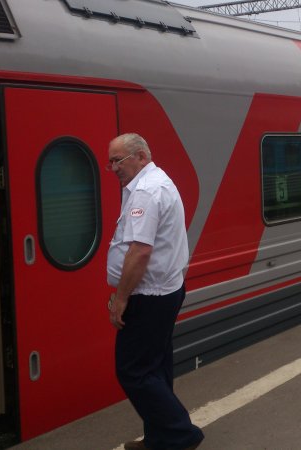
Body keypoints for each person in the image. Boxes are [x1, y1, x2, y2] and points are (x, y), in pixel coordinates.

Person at [106, 133, 203, 450]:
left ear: (141, 157)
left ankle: (180, 433)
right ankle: (160, 439)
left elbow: (140, 252)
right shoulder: (157, 182)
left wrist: (121, 298)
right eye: (110, 161)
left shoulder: (146, 192)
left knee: (132, 370)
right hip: (165, 290)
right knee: (156, 367)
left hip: (150, 297)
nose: (112, 168)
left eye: (117, 160)